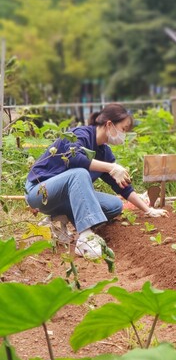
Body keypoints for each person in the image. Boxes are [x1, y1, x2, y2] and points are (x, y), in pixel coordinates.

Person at [25, 104, 167, 259]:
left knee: (115, 205)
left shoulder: (104, 152)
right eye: (124, 129)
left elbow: (123, 187)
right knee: (78, 173)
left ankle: (58, 218)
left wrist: (148, 209)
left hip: (63, 199)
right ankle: (85, 238)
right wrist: (110, 167)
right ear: (109, 124)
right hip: (39, 192)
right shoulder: (80, 134)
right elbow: (74, 158)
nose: (124, 134)